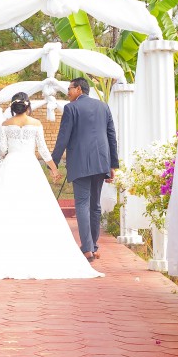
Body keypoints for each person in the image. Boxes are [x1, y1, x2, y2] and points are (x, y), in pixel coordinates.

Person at [0, 92, 102, 279]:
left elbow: (1, 150)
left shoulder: (5, 125)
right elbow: (43, 150)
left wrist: (5, 154)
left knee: (5, 207)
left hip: (11, 166)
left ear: (13, 107)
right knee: (34, 206)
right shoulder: (36, 124)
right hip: (30, 166)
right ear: (28, 106)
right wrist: (53, 169)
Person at [52, 76, 119, 262]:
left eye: (70, 89)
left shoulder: (71, 108)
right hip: (100, 162)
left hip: (80, 162)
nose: (68, 93)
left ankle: (88, 248)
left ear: (79, 89)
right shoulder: (103, 107)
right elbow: (111, 136)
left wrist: (53, 162)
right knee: (94, 205)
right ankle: (93, 246)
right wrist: (113, 164)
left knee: (82, 203)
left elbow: (63, 138)